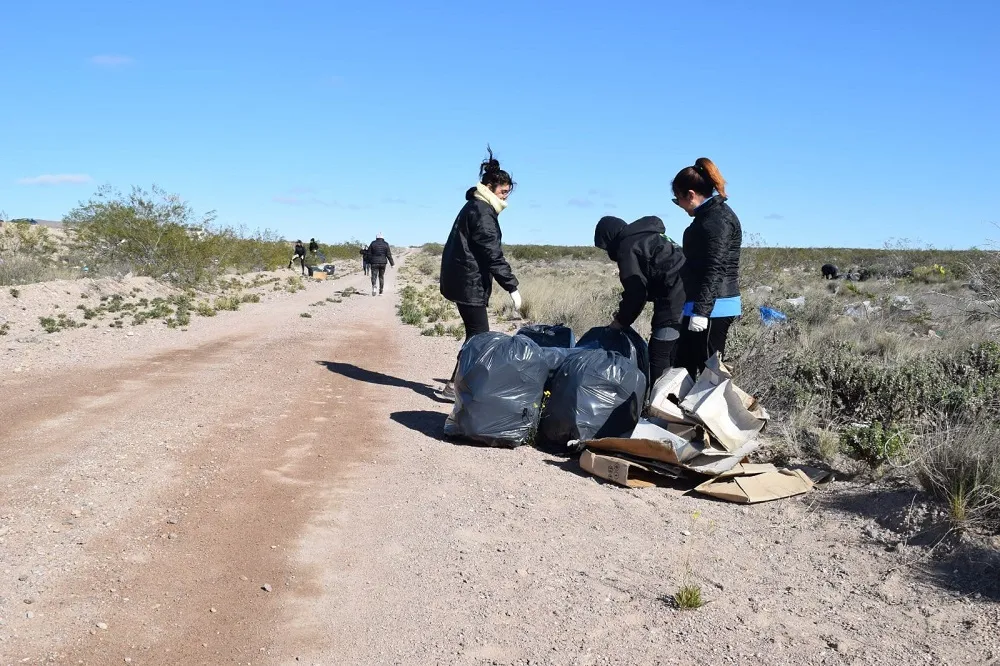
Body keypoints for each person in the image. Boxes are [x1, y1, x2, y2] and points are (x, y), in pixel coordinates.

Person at [438, 147, 522, 399]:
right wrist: (512, 286)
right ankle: (456, 387)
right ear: (489, 187)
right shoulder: (483, 213)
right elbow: (492, 254)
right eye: (503, 192)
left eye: (509, 192)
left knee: (476, 335)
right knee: (478, 337)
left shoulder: (476, 206)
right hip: (468, 281)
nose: (506, 197)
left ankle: (457, 385)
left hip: (463, 279)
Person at [594, 215, 686, 385]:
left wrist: (620, 322)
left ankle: (657, 406)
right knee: (675, 353)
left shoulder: (627, 246)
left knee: (659, 354)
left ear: (609, 238)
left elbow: (636, 293)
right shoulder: (646, 236)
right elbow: (654, 274)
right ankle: (674, 403)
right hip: (692, 295)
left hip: (675, 298)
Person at [672, 158, 743, 378]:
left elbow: (715, 267)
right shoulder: (706, 217)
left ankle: (713, 413)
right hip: (700, 303)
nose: (679, 206)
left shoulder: (717, 219)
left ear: (690, 195)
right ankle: (680, 412)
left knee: (709, 375)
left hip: (715, 307)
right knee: (683, 366)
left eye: (678, 200)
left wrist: (702, 312)